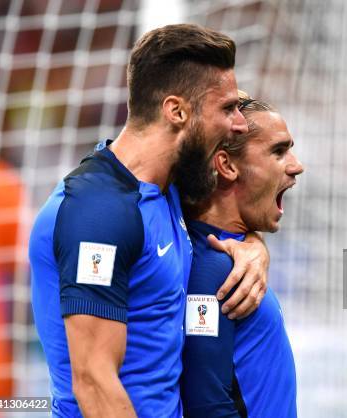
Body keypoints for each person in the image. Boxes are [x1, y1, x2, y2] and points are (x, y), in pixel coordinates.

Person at [29, 25, 270, 418]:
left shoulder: (168, 187)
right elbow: (94, 380)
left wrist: (255, 250)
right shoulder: (99, 214)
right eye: (227, 109)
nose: (239, 125)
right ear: (176, 111)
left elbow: (237, 217)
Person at [180, 92, 304, 417]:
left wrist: (255, 243)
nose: (296, 166)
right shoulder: (214, 270)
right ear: (227, 165)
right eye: (278, 151)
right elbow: (205, 404)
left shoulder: (236, 252)